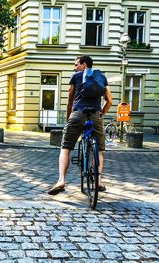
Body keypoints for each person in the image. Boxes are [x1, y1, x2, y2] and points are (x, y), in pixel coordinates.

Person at [48, 55, 112, 195]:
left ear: (84, 65)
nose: (75, 67)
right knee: (99, 150)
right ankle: (99, 181)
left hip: (77, 114)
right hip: (95, 115)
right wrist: (101, 114)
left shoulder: (76, 76)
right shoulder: (101, 77)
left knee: (65, 148)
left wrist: (68, 117)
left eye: (76, 64)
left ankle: (61, 181)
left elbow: (70, 100)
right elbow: (110, 100)